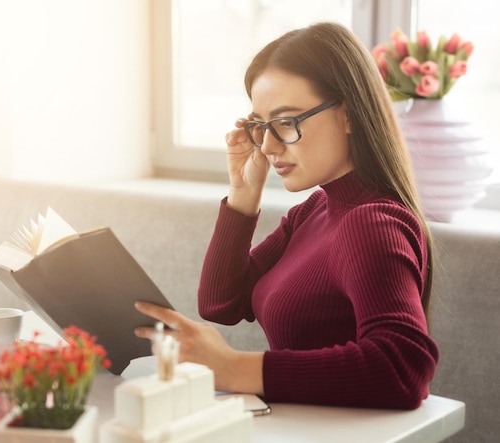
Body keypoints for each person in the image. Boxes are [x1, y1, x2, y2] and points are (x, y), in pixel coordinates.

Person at [134, 21, 439, 410]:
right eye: (261, 125)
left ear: (348, 115)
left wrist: (232, 367)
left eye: (285, 122)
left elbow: (403, 370)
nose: (268, 145)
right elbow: (221, 303)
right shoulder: (315, 211)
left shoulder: (371, 223)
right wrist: (243, 193)